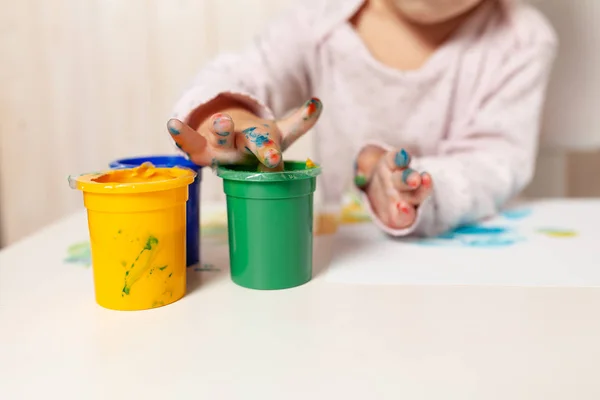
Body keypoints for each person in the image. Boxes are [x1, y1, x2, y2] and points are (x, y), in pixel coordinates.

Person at [167, 0, 557, 237]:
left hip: (473, 263)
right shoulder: (318, 20)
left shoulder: (521, 38)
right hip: (346, 262)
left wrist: (416, 188)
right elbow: (247, 74)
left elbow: (495, 160)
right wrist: (230, 117)